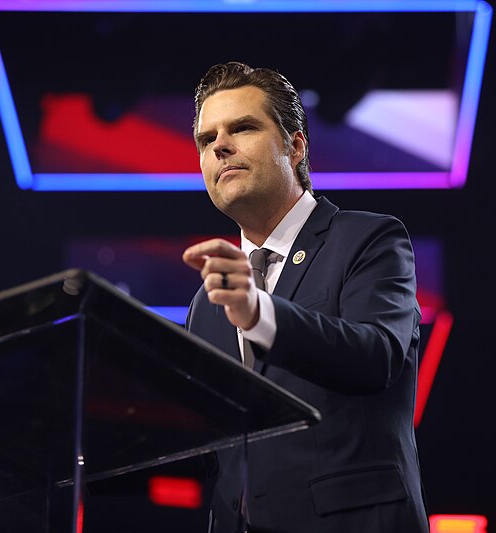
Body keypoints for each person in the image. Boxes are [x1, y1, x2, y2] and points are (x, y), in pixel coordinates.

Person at [182, 61, 428, 533]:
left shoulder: (369, 239)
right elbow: (207, 450)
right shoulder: (206, 304)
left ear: (295, 146)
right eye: (206, 139)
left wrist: (259, 314)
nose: (220, 146)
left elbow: (375, 356)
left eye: (243, 127)